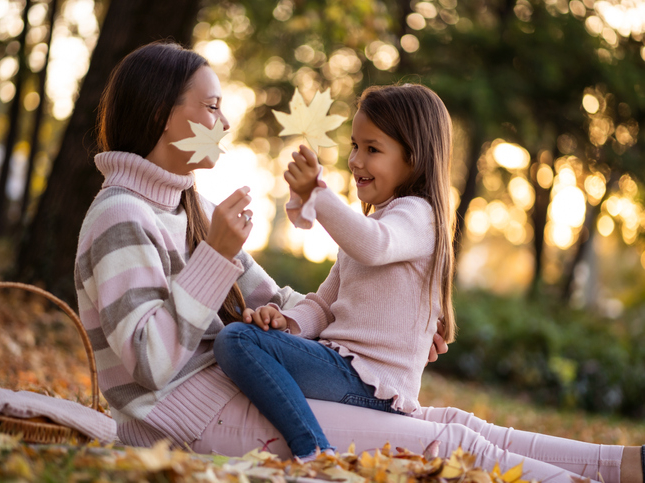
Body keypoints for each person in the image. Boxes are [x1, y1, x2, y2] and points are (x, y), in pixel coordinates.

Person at [74, 40, 643, 483]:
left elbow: (274, 299)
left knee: (453, 424)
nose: (225, 124)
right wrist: (216, 258)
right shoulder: (121, 216)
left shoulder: (186, 205)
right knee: (449, 449)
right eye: (213, 107)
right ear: (161, 115)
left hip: (236, 391)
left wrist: (384, 321)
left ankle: (625, 464)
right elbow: (149, 361)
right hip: (190, 419)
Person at [213, 83, 455, 461]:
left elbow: (375, 244)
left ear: (413, 157)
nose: (356, 160)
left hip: (372, 384)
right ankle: (313, 447)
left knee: (236, 341)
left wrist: (317, 196)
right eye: (355, 146)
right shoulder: (370, 226)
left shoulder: (418, 217)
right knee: (246, 338)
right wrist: (285, 322)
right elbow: (325, 306)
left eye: (372, 149)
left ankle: (313, 450)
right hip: (342, 367)